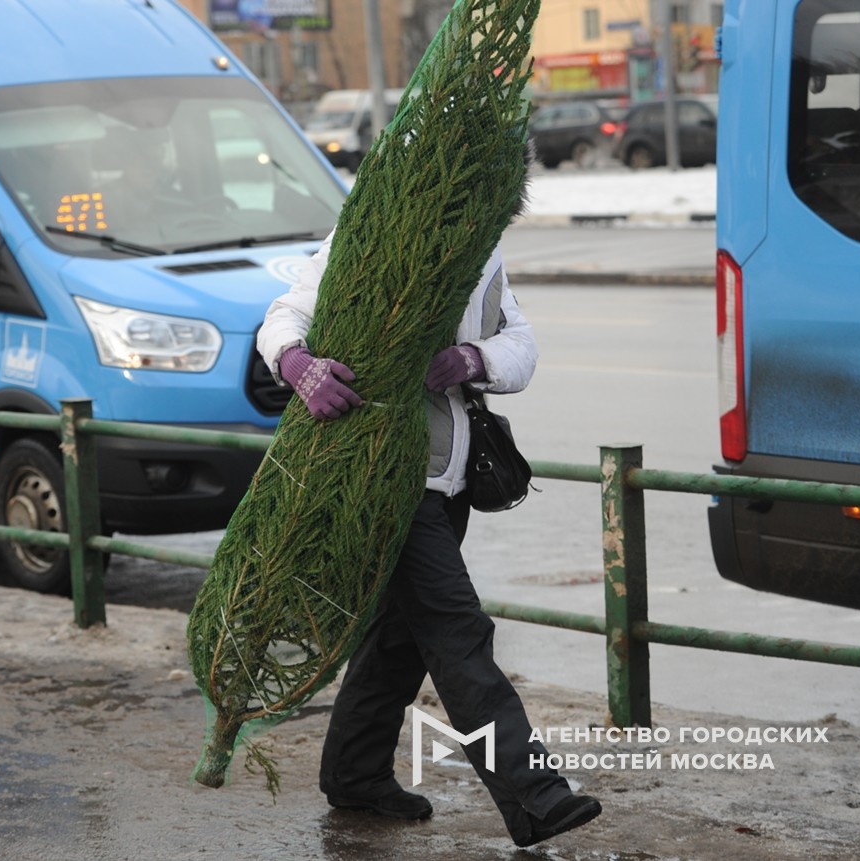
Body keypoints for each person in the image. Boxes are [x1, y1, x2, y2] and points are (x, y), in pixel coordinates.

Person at [256, 224, 603, 847]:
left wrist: (474, 360)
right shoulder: (372, 226)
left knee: (399, 637)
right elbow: (284, 315)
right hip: (385, 477)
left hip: (451, 479)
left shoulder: (483, 249)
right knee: (456, 629)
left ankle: (355, 775)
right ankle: (535, 796)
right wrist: (296, 363)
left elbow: (520, 344)